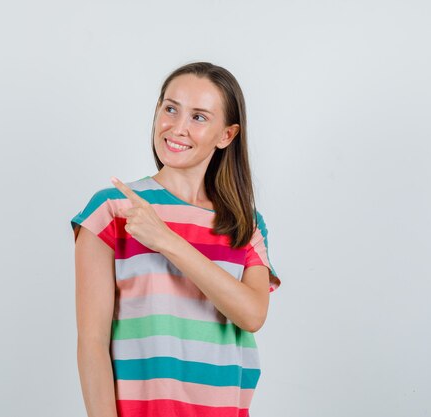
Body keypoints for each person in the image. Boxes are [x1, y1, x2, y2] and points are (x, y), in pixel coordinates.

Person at [70, 61, 281, 417]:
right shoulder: (111, 208)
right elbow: (92, 343)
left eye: (199, 117)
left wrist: (166, 240)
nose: (177, 128)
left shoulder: (246, 224)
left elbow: (252, 314)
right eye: (171, 109)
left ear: (226, 135)